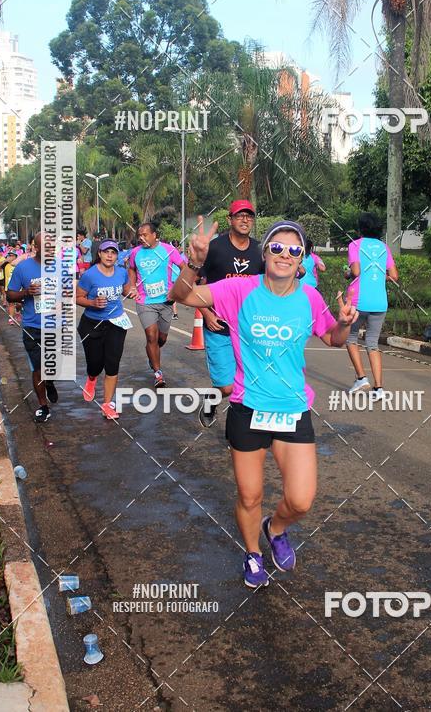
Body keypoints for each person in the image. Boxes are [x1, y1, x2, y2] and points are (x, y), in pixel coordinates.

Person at [171, 217, 357, 588]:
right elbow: (183, 297)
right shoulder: (239, 290)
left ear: (302, 258)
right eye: (276, 247)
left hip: (292, 411)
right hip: (248, 407)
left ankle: (276, 527)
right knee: (249, 494)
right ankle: (253, 553)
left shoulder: (309, 297)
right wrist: (196, 262)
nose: (284, 255)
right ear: (265, 252)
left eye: (293, 250)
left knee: (301, 500)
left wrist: (346, 322)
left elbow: (334, 339)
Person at [197, 200, 264, 429]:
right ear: (230, 220)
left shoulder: (260, 250)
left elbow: (271, 285)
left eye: (249, 216)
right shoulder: (214, 248)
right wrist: (206, 314)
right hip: (219, 327)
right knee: (226, 387)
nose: (245, 220)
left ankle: (240, 434)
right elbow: (196, 285)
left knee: (249, 384)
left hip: (250, 331)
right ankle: (210, 399)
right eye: (239, 215)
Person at [77, 240, 138, 419]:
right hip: (92, 324)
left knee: (112, 364)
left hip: (116, 323)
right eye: (106, 252)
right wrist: (92, 303)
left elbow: (126, 290)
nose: (110, 255)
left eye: (113, 252)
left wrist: (131, 292)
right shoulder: (89, 275)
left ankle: (107, 404)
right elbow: (78, 297)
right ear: (100, 254)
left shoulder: (121, 272)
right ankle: (92, 377)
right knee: (95, 363)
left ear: (117, 255)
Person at [6, 233, 59, 423]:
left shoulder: (61, 267)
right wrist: (26, 292)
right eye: (45, 246)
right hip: (32, 326)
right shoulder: (23, 268)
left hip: (56, 326)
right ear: (35, 247)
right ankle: (43, 406)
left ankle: (50, 381)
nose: (50, 250)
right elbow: (10, 295)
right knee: (38, 368)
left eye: (52, 246)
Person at [345, 212, 398, 398]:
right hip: (379, 302)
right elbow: (394, 275)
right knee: (372, 343)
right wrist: (379, 275)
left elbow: (356, 271)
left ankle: (361, 378)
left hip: (359, 300)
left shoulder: (354, 245)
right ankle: (379, 388)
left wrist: (347, 273)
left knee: (351, 338)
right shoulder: (384, 247)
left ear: (361, 228)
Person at [127, 222, 185, 388]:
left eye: (145, 235)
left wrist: (177, 289)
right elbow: (131, 269)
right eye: (140, 235)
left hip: (166, 301)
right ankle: (158, 374)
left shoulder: (168, 250)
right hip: (145, 302)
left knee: (161, 338)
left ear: (154, 235)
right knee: (151, 336)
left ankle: (152, 355)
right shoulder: (135, 253)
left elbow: (184, 268)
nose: (142, 238)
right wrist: (133, 286)